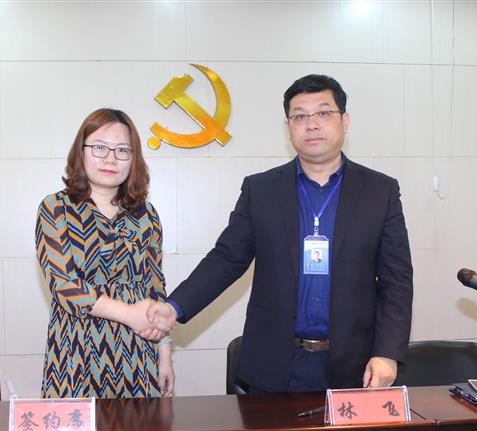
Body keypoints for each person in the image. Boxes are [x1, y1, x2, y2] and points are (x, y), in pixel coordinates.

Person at [149, 74, 413, 393]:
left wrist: (388, 353)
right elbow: (227, 259)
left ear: (344, 120)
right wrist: (175, 307)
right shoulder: (261, 189)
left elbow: (396, 280)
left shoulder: (380, 191)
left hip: (355, 366)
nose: (311, 124)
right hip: (274, 365)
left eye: (323, 113)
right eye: (299, 116)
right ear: (288, 127)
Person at [36, 108, 175, 399]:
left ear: (133, 158)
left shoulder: (146, 215)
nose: (111, 158)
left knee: (140, 427)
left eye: (122, 150)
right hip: (75, 349)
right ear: (81, 152)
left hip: (137, 351)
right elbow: (65, 285)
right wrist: (129, 314)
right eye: (100, 147)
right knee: (75, 429)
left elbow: (155, 286)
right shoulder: (55, 208)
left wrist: (164, 353)